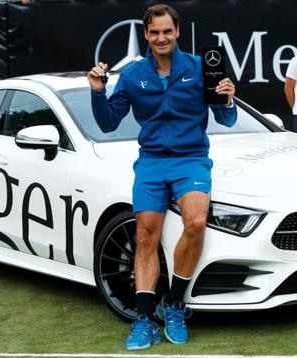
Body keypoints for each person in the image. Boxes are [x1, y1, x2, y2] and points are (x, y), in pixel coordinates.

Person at [88, 4, 237, 350]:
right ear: (146, 35)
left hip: (191, 159)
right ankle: (143, 320)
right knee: (144, 236)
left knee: (196, 221)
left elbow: (226, 119)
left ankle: (175, 305)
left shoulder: (200, 68)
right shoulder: (132, 75)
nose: (161, 37)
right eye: (154, 32)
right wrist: (97, 91)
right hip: (152, 161)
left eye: (167, 31)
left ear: (178, 32)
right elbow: (108, 122)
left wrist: (228, 100)